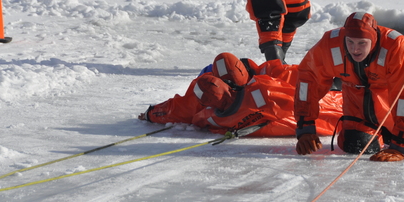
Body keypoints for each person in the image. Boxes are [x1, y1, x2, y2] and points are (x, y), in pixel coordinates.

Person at [294, 12, 404, 161]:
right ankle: (386, 132)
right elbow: (308, 81)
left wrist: (400, 145)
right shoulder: (330, 45)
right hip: (357, 102)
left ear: (373, 41)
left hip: (396, 101)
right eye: (350, 42)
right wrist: (305, 127)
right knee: (354, 144)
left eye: (361, 43)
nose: (355, 49)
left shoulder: (397, 49)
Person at [139, 52, 342, 137]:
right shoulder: (265, 83)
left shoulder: (206, 108)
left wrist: (151, 113)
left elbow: (175, 110)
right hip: (321, 108)